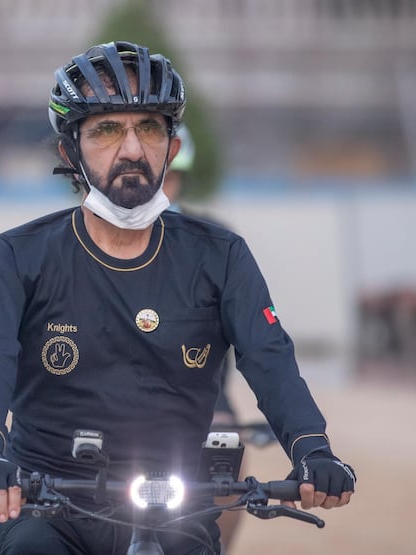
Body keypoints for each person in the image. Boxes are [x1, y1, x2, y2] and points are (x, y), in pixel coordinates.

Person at [0, 41, 355, 555]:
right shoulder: (16, 256)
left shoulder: (220, 255)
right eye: (105, 130)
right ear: (68, 151)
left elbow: (269, 356)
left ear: (170, 145)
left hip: (178, 507)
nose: (131, 149)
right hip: (46, 504)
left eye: (149, 127)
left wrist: (312, 449)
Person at [163, 123, 244, 553]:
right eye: (160, 174)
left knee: (230, 455)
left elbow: (247, 333)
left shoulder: (215, 245)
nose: (164, 187)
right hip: (110, 395)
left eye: (174, 177)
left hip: (201, 398)